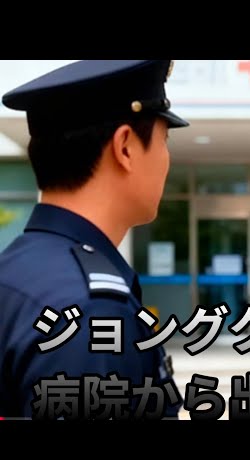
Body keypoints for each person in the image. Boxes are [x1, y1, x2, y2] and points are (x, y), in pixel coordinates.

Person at [0, 60, 189, 419]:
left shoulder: (14, 273)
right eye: (164, 140)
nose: (167, 160)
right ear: (125, 147)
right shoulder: (91, 311)